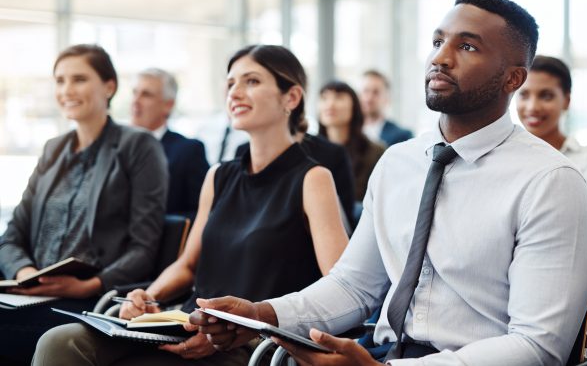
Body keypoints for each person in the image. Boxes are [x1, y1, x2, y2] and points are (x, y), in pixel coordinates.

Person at [191, 0, 587, 365]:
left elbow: (538, 346)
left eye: (467, 46)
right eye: (438, 42)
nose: (441, 58)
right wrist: (262, 313)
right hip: (383, 352)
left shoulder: (551, 182)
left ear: (513, 79)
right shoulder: (398, 163)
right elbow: (353, 286)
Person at [33, 44, 350, 366]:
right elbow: (187, 265)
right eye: (230, 84)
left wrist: (245, 325)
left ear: (291, 98)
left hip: (252, 341)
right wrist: (149, 296)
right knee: (59, 341)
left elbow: (340, 287)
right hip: (188, 323)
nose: (235, 93)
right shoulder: (218, 177)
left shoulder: (313, 179)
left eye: (251, 81)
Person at [0, 44, 168, 364]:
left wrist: (87, 285)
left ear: (109, 86)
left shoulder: (138, 146)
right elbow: (12, 234)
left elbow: (144, 248)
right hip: (31, 295)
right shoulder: (54, 149)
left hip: (90, 301)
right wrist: (26, 273)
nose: (66, 90)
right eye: (60, 81)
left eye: (78, 79)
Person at [517, 55, 587, 277]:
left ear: (567, 100)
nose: (532, 107)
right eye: (524, 94)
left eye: (546, 96)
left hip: (561, 281)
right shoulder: (506, 159)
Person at [131, 68, 209, 220]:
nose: (135, 101)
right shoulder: (114, 148)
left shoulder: (189, 151)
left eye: (146, 95)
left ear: (168, 105)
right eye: (135, 92)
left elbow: (203, 213)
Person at [318, 81, 385, 205]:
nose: (330, 104)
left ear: (354, 106)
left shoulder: (376, 151)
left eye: (339, 97)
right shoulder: (307, 150)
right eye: (324, 98)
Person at [360, 70, 413, 146]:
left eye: (376, 92)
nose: (369, 98)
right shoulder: (347, 132)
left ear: (387, 99)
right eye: (365, 91)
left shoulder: (403, 137)